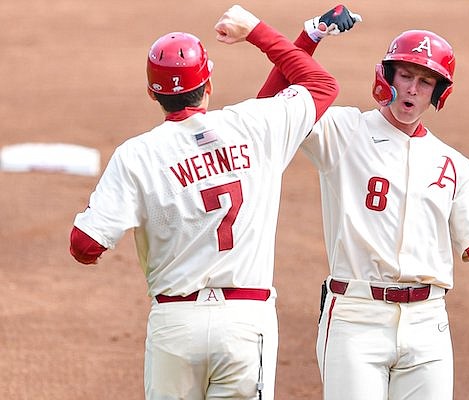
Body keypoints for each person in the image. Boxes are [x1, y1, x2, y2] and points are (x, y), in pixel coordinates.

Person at [257, 5, 469, 400]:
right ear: (386, 77)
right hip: (356, 318)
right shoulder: (342, 131)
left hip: (429, 326)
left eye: (425, 81)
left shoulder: (455, 165)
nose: (411, 89)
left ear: (439, 92)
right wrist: (310, 37)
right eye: (405, 75)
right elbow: (267, 114)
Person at [69, 5, 339, 400]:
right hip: (246, 322)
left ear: (152, 93)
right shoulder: (251, 127)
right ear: (208, 83)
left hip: (175, 325)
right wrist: (268, 32)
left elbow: (85, 245)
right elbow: (319, 86)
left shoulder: (137, 154)